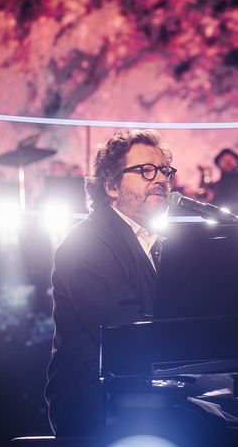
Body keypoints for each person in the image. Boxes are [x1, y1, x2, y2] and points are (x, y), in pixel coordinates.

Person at [45, 129, 176, 436]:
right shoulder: (86, 241)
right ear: (112, 186)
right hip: (98, 400)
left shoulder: (161, 244)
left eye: (165, 171)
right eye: (146, 170)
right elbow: (124, 330)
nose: (160, 179)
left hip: (150, 389)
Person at [210, 147, 238, 213]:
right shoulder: (215, 186)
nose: (228, 163)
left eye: (231, 160)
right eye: (224, 160)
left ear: (236, 163)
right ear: (219, 164)